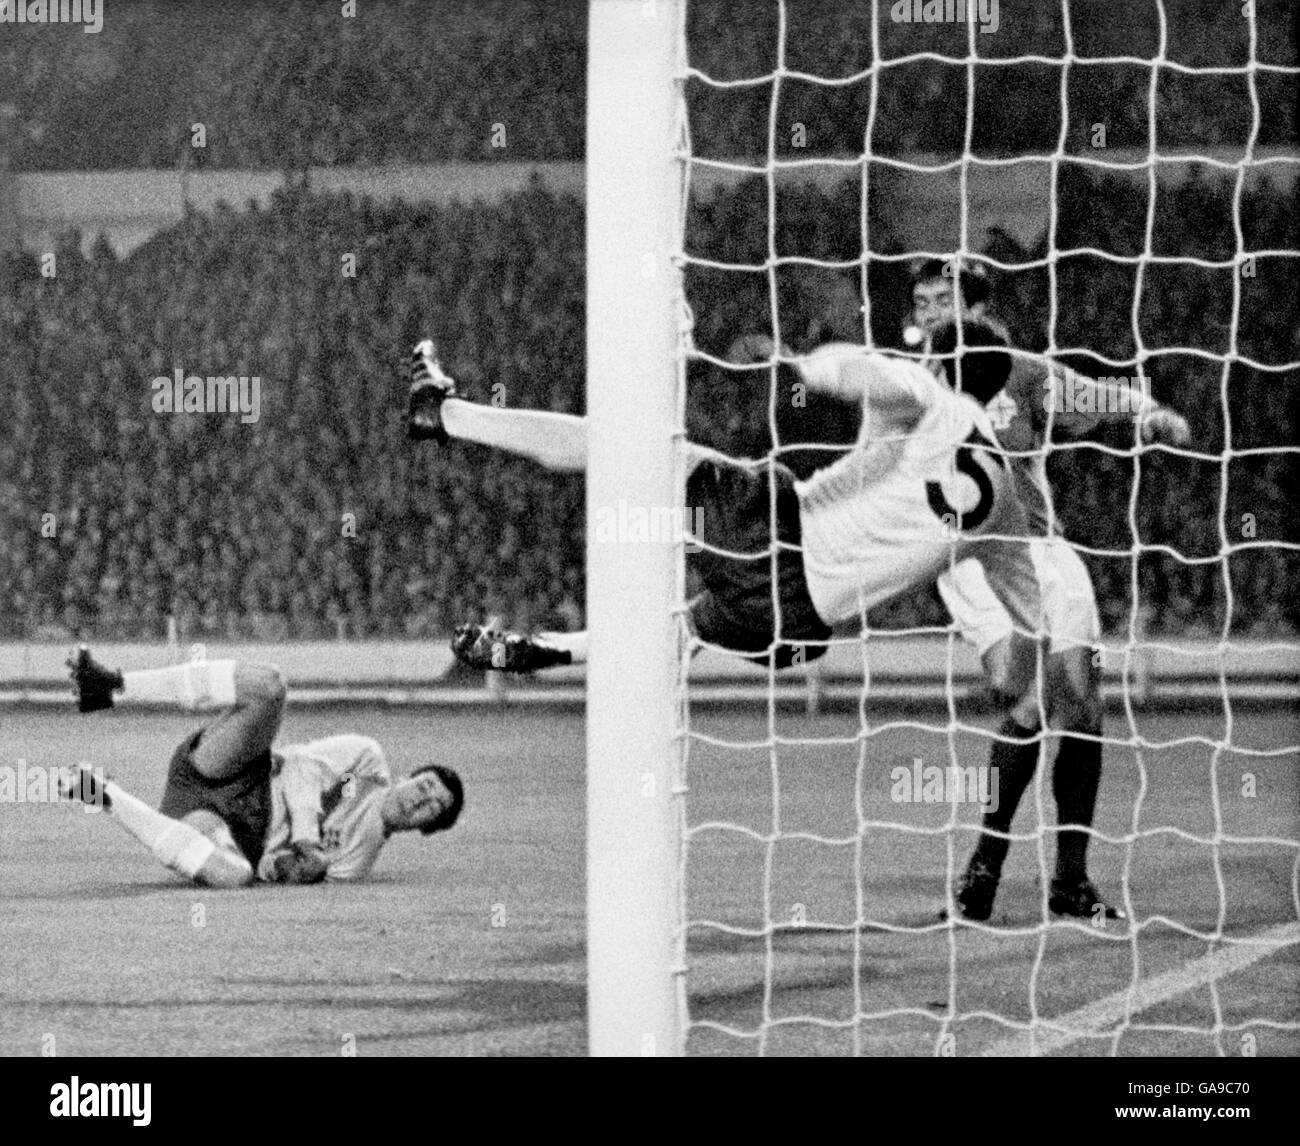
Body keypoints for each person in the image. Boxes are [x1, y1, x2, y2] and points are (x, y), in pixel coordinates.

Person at [902, 257, 1190, 919]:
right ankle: (983, 874)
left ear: (975, 308)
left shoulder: (1024, 374)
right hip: (975, 560)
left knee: (1084, 707)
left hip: (1049, 553)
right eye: (921, 303)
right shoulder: (905, 389)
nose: (930, 314)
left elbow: (1098, 396)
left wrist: (1148, 414)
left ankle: (1069, 881)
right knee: (1033, 701)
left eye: (943, 300)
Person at [61, 647, 464, 886]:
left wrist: (292, 867)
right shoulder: (366, 760)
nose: (420, 799)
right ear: (411, 775)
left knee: (234, 876)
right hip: (238, 773)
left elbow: (273, 868)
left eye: (433, 807)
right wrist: (307, 838)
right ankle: (111, 685)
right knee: (269, 686)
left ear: (426, 828)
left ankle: (100, 793)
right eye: (426, 785)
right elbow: (299, 767)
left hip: (236, 831)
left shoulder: (357, 864)